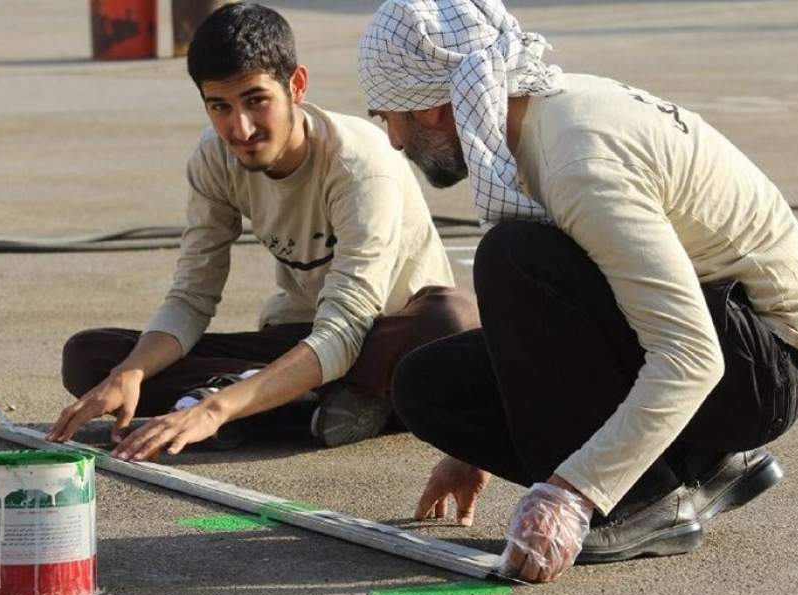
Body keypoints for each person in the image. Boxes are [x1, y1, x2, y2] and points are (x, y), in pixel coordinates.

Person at [357, 0, 798, 582]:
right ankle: (702, 464)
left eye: (390, 118)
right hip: (724, 333)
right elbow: (573, 312)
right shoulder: (537, 117)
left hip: (766, 365)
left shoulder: (577, 161)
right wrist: (472, 446)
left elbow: (691, 356)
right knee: (431, 388)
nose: (395, 141)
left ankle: (649, 500)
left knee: (513, 258)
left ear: (431, 109)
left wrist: (572, 493)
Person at [48, 2, 479, 459]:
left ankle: (256, 403)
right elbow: (192, 297)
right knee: (91, 357)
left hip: (385, 339)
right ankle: (299, 405)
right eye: (220, 107)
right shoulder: (215, 158)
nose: (241, 128)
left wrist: (214, 409)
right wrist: (130, 373)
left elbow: (348, 326)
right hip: (300, 338)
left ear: (296, 86)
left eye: (257, 100)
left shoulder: (359, 165)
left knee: (452, 323)